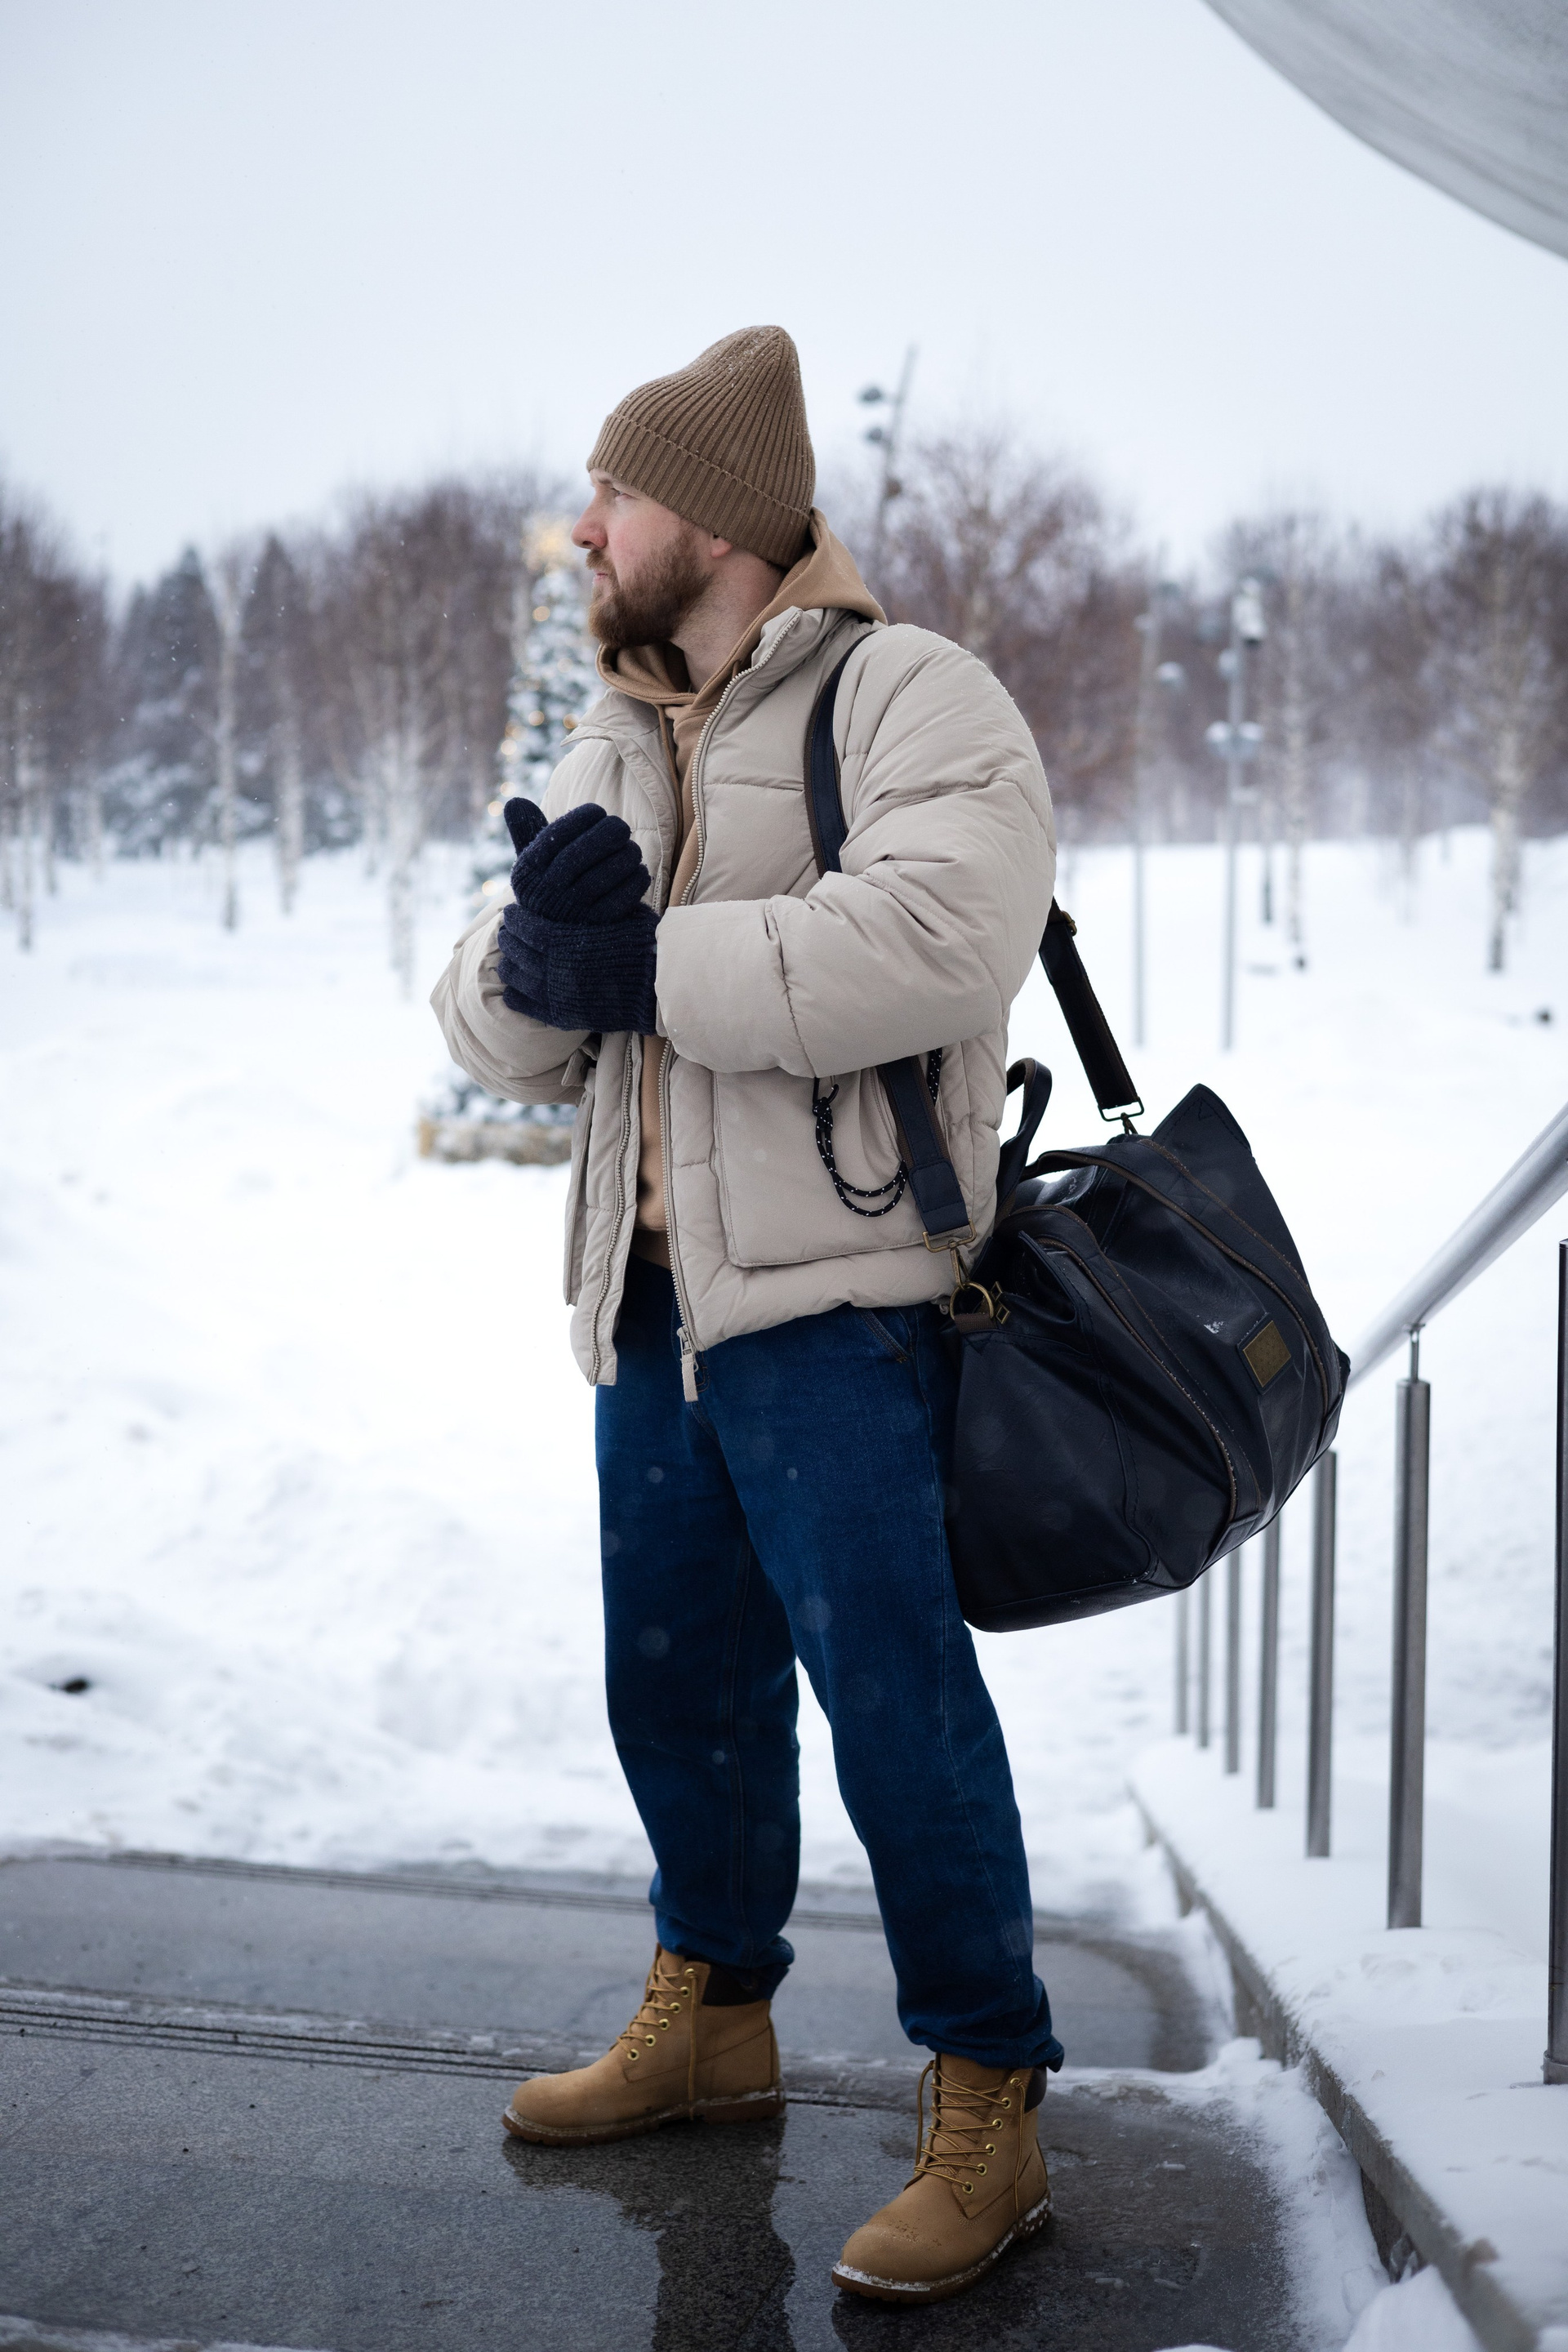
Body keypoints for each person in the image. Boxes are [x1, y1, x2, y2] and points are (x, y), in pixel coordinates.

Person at [432, 325, 1060, 2305]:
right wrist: (535, 964)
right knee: (681, 1694)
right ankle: (711, 2017)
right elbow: (491, 1018)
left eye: (609, 495)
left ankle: (990, 2093)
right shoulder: (617, 729)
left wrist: (641, 965)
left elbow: (941, 937)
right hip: (648, 1306)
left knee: (898, 1713)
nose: (582, 530)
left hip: (843, 1309)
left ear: (704, 517)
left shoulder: (909, 693)